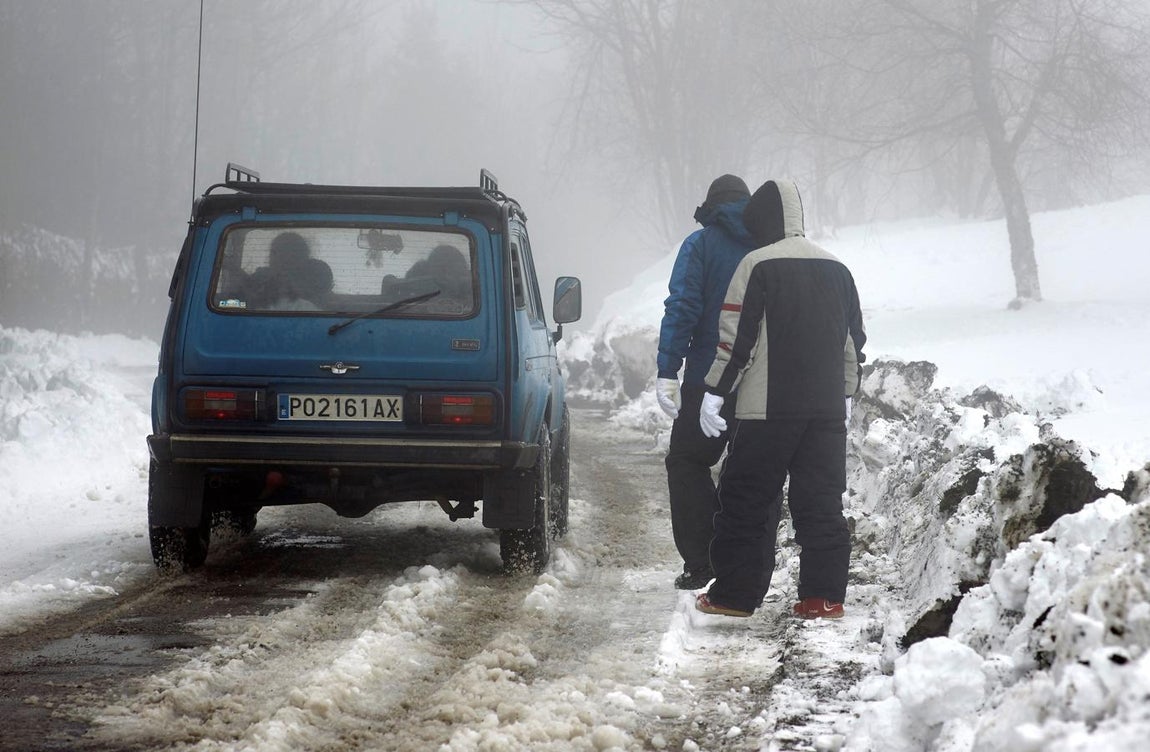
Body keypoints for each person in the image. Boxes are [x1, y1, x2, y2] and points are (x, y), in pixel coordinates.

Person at [694, 178, 866, 620]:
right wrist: (847, 391)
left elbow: (737, 340)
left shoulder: (757, 265)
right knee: (822, 502)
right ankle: (822, 597)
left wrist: (715, 391)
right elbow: (853, 342)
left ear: (762, 222)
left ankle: (734, 595)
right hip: (826, 412)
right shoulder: (838, 269)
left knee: (746, 500)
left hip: (766, 410)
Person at [655, 174, 757, 590]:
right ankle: (746, 561)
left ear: (711, 206)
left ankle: (702, 562)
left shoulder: (700, 245)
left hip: (707, 376)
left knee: (688, 461)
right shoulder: (769, 244)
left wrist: (668, 368)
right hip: (761, 378)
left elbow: (683, 306)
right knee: (750, 469)